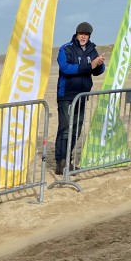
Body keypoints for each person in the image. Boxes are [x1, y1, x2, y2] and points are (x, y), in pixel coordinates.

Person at [54, 21, 106, 175]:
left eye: (86, 34)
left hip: (82, 96)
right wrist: (89, 66)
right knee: (65, 129)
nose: (83, 36)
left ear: (89, 36)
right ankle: (60, 163)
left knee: (76, 129)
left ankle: (67, 161)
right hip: (66, 95)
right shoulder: (66, 48)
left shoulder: (92, 49)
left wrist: (100, 65)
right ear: (76, 34)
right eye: (81, 33)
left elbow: (95, 71)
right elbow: (66, 68)